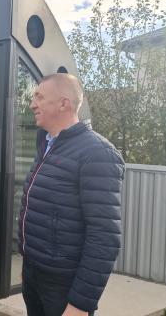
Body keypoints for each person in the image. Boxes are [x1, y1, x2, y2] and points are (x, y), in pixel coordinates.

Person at [18, 73, 124, 316]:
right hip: (35, 274)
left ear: (63, 103)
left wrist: (80, 304)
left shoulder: (97, 153)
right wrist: (28, 264)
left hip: (63, 285)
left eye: (39, 97)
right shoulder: (47, 144)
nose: (32, 104)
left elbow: (104, 237)